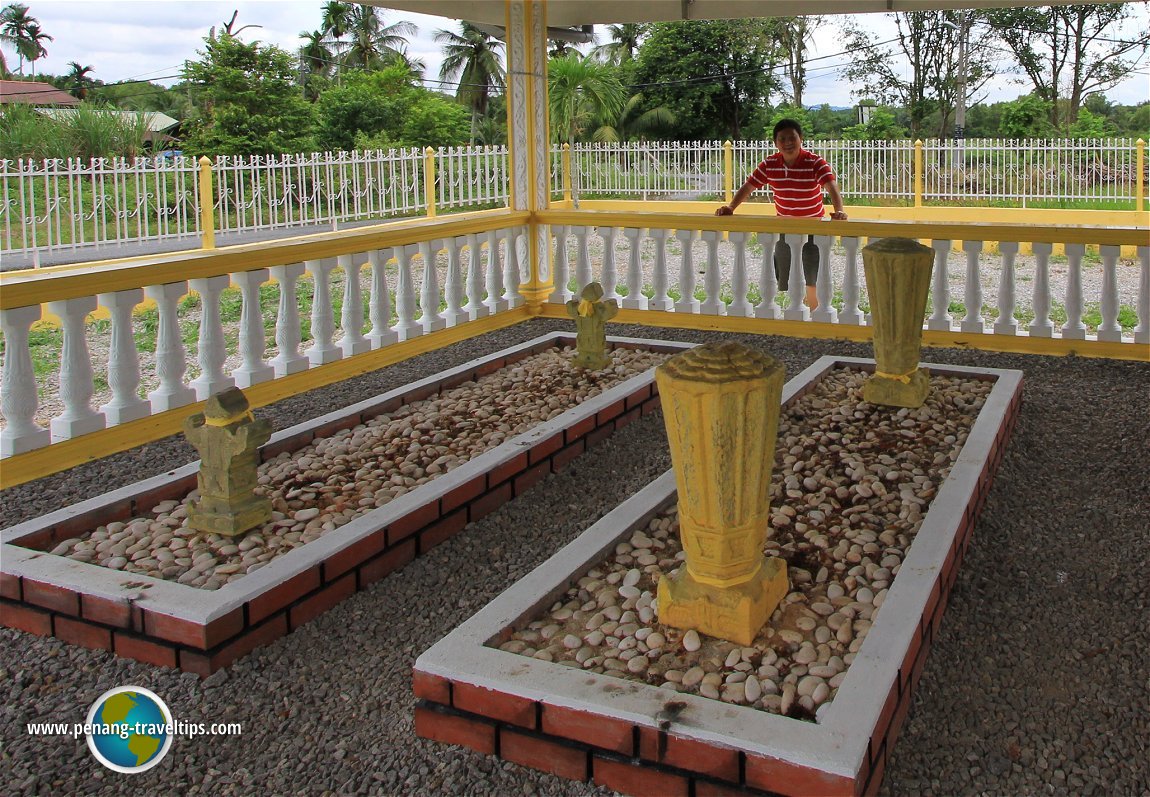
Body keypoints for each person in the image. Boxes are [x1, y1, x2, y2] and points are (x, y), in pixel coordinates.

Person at [716, 119, 847, 311]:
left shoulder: (815, 162)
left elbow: (831, 185)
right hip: (785, 229)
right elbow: (748, 186)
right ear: (776, 143)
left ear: (801, 139)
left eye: (792, 138)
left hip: (814, 229)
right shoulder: (770, 164)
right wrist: (731, 208)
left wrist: (840, 211)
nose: (788, 142)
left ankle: (814, 315)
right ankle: (799, 310)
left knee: (812, 276)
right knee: (787, 273)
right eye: (782, 139)